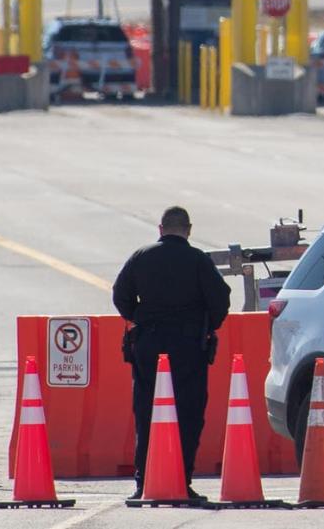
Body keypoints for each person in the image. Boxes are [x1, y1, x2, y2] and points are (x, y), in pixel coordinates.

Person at [113, 206, 231, 501]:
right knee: (188, 413)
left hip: (148, 343)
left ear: (161, 228)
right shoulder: (198, 260)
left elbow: (120, 294)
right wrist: (206, 325)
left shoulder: (141, 256)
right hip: (188, 345)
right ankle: (181, 479)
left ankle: (144, 482)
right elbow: (220, 299)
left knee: (146, 411)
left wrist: (139, 317)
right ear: (188, 229)